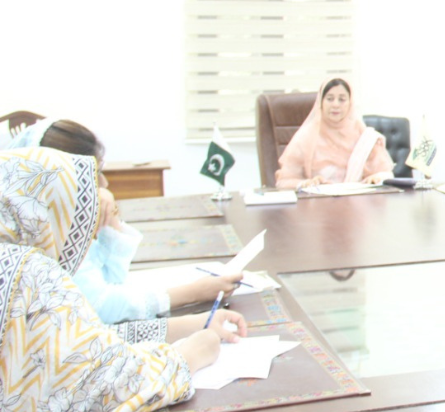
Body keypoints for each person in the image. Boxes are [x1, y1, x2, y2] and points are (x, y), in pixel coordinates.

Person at [0, 147, 248, 411]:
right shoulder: (28, 273)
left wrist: (195, 324)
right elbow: (110, 384)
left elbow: (92, 336)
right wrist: (188, 356)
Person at [7, 119, 245, 324]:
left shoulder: (52, 214)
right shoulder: (38, 236)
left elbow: (113, 278)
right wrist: (193, 293)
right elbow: (100, 308)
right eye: (93, 175)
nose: (104, 184)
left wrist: (112, 222)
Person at [275, 78, 395, 189]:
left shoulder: (364, 137)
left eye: (342, 99)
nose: (336, 105)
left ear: (350, 103)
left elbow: (386, 174)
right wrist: (306, 183)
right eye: (330, 99)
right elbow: (283, 182)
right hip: (318, 207)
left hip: (359, 205)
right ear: (321, 103)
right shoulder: (305, 138)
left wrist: (377, 178)